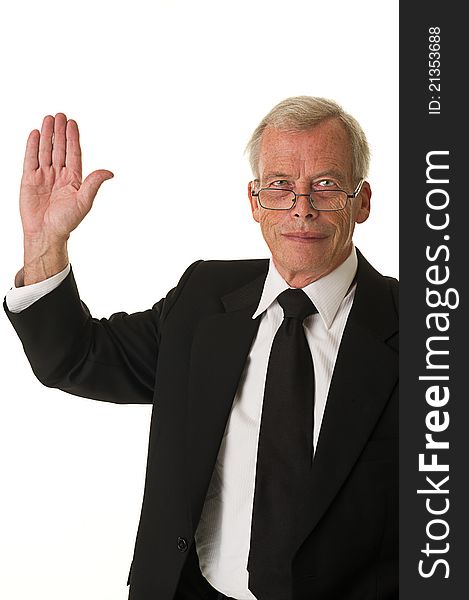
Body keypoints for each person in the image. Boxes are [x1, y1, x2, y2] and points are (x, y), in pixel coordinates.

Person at [4, 97, 398, 600]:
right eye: (280, 186)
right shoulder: (202, 299)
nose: (302, 206)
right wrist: (44, 244)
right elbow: (75, 359)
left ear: (361, 200)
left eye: (326, 184)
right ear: (254, 202)